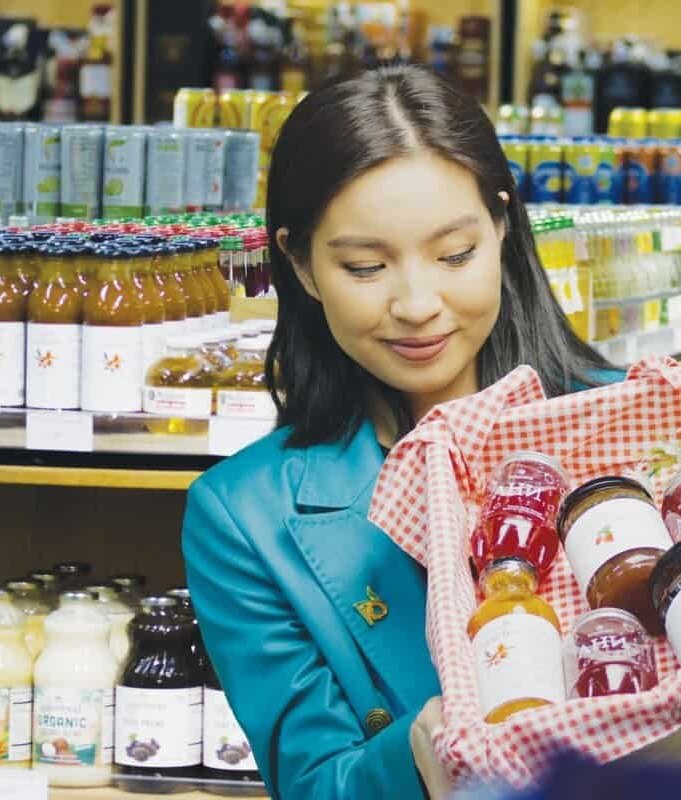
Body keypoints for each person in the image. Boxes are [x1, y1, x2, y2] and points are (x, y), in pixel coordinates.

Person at [181, 64, 618, 800]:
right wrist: (415, 754)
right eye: (365, 266)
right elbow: (314, 782)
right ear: (301, 264)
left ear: (504, 230)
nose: (418, 304)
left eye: (455, 256)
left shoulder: (631, 425)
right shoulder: (245, 518)